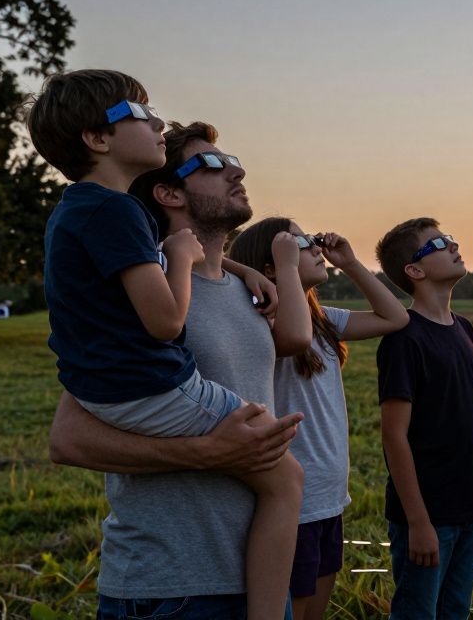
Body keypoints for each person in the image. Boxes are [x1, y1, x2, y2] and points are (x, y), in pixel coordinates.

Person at [29, 71, 304, 620]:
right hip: (172, 587)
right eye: (210, 164)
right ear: (168, 192)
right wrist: (207, 454)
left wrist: (244, 268)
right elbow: (69, 439)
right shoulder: (138, 272)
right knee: (286, 478)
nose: (237, 170)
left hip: (252, 583)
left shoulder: (233, 285)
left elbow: (294, 339)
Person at [227, 218, 409, 620]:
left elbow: (395, 317)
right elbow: (287, 336)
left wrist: (351, 264)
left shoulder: (324, 320)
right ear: (272, 264)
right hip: (293, 502)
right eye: (300, 242)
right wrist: (283, 269)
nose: (314, 248)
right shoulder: (265, 322)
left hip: (328, 498)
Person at [374, 218, 473, 619]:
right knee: (417, 612)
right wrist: (418, 522)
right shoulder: (404, 338)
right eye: (440, 244)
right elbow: (395, 436)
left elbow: (470, 419)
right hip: (427, 515)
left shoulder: (463, 328)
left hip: (467, 506)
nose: (453, 245)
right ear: (415, 270)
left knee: (455, 610)